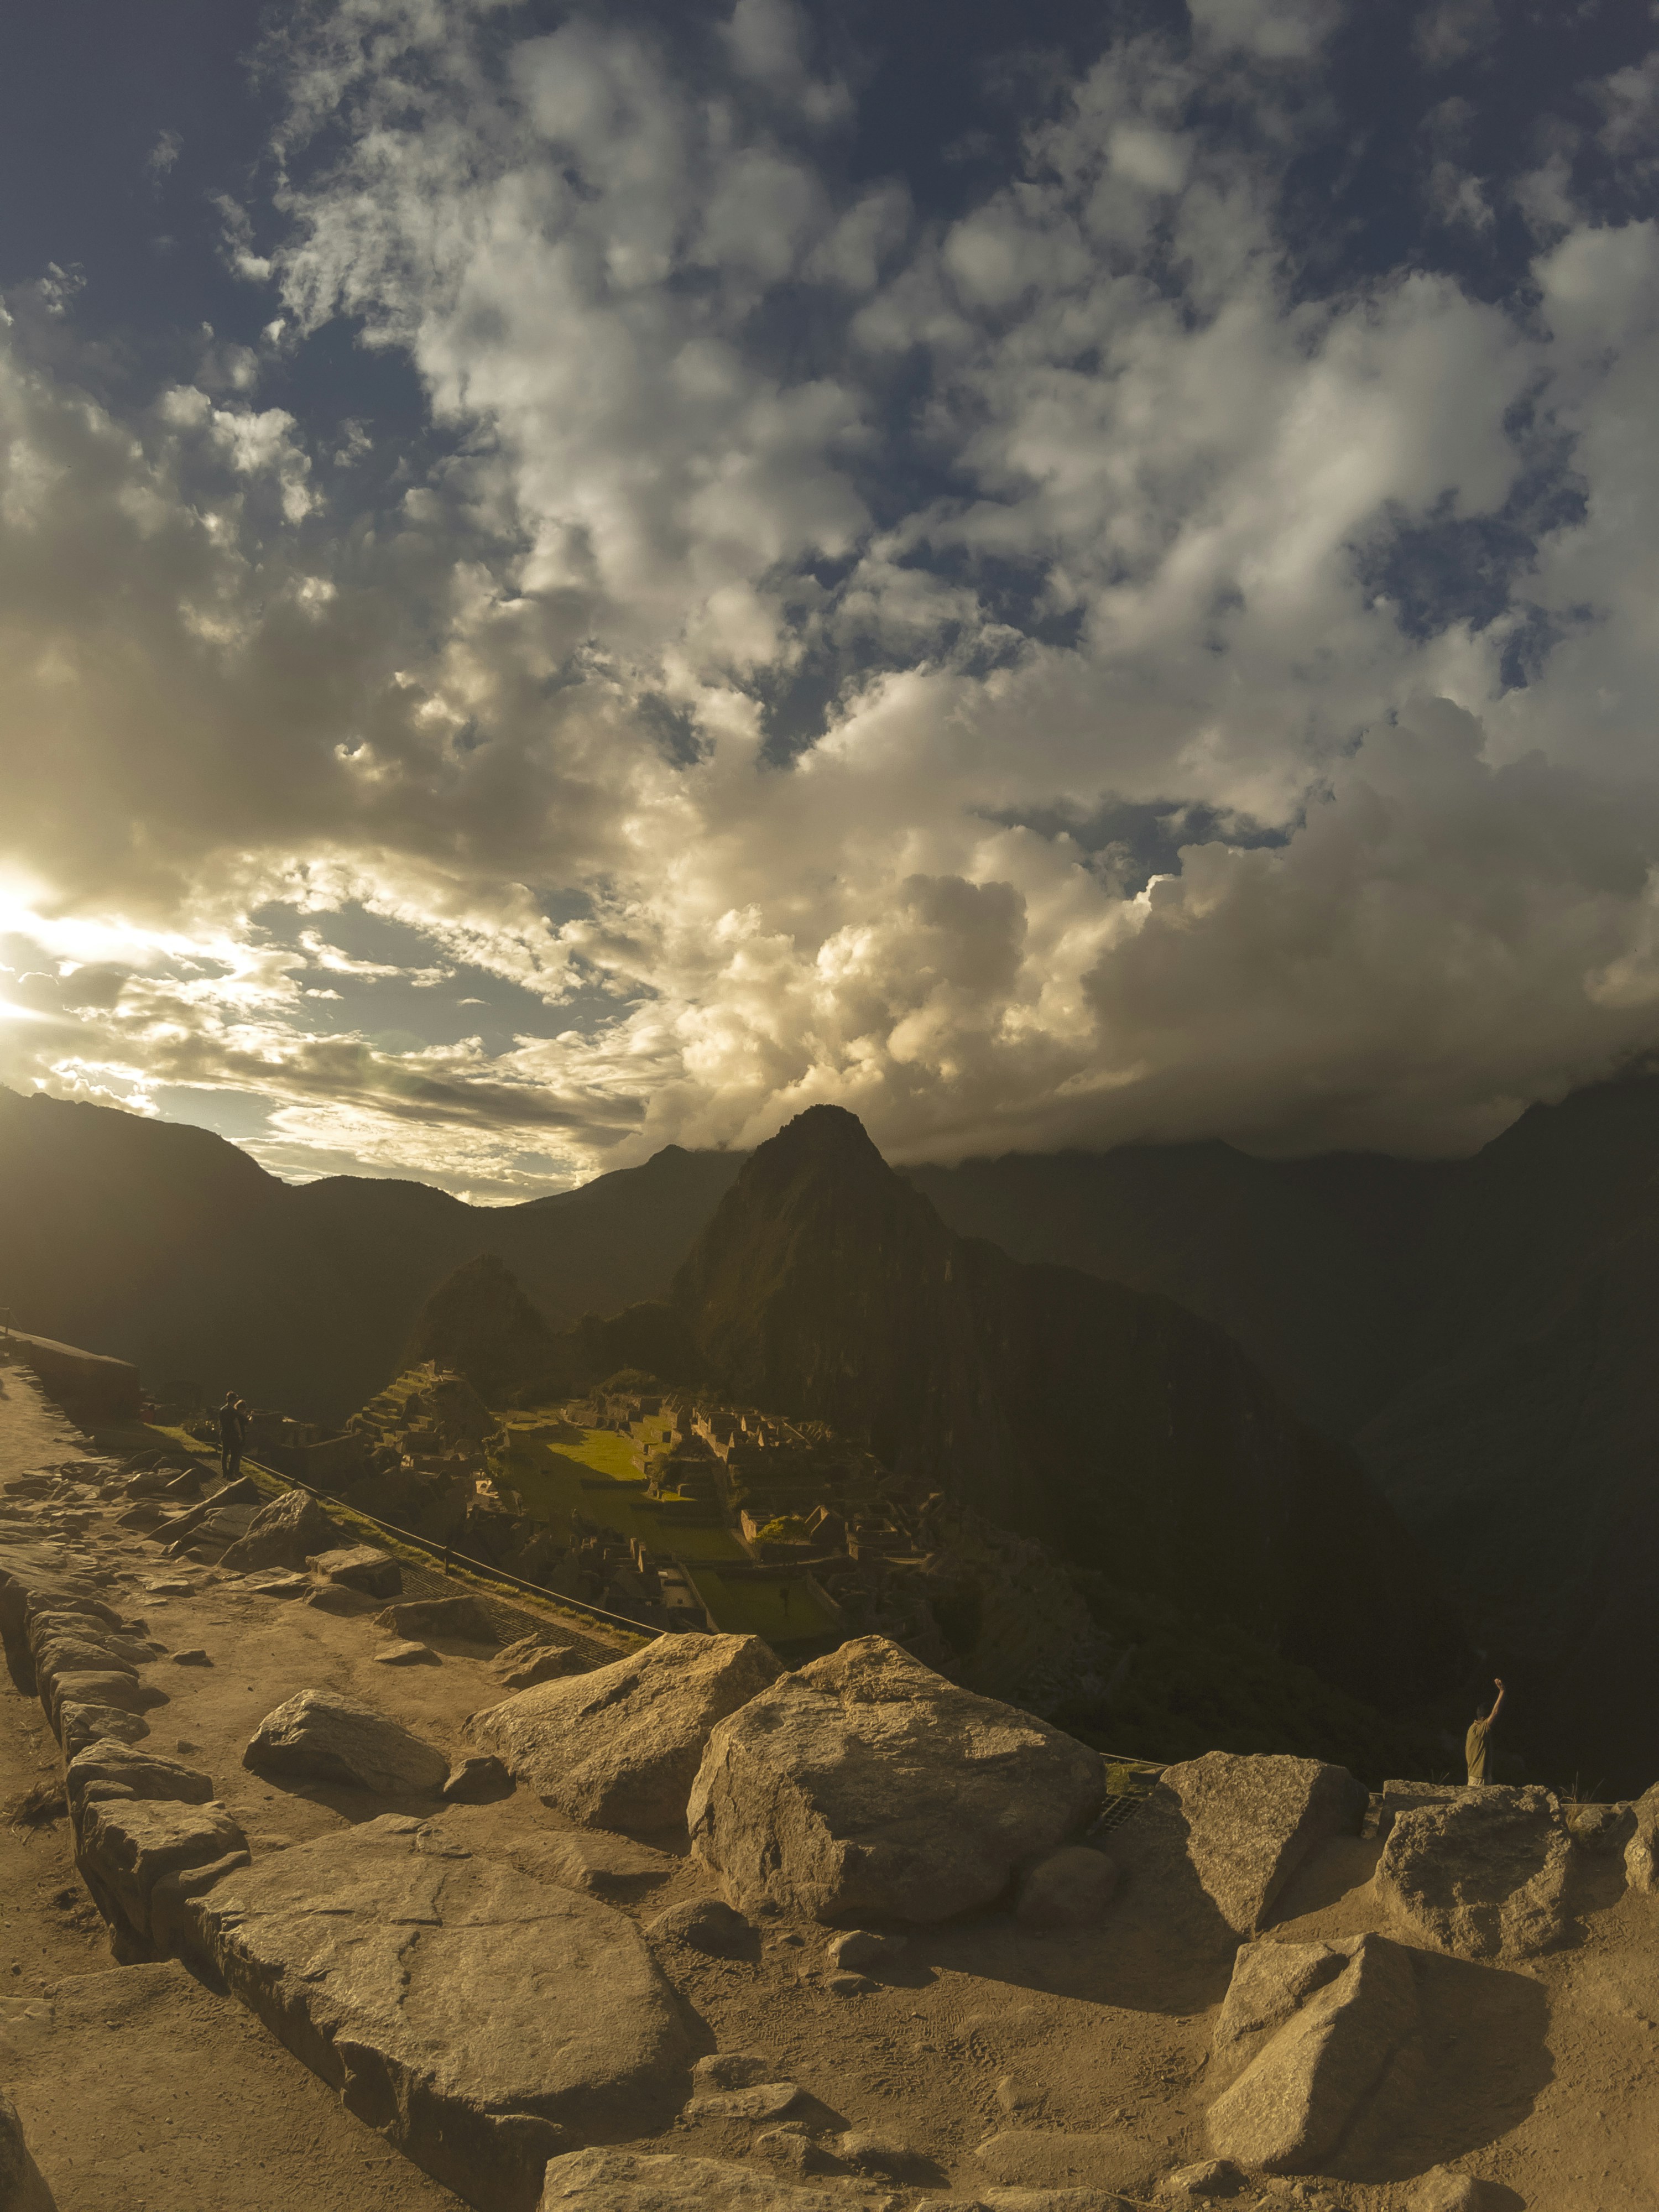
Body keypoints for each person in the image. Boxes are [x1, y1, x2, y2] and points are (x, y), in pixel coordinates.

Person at [1465, 1677, 1506, 1786]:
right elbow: (1495, 1713)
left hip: (1473, 1776)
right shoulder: (1480, 1731)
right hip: (1480, 1778)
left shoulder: (1472, 1728)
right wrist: (1502, 1692)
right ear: (1484, 1719)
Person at [218, 1391, 244, 1481]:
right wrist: (240, 1434)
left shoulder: (222, 1409)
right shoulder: (232, 1411)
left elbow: (220, 1423)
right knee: (234, 1454)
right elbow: (236, 1423)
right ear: (234, 1400)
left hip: (224, 1433)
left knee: (225, 1453)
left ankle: (224, 1471)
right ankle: (231, 1474)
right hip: (232, 1435)